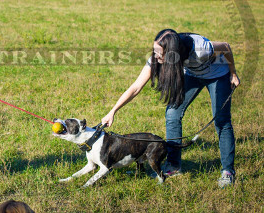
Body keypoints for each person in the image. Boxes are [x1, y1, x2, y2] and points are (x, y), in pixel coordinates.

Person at [101, 29, 240, 188]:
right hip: (193, 74)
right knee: (172, 114)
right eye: (154, 51)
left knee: (221, 121)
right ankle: (173, 166)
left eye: (160, 53)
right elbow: (135, 87)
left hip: (217, 74)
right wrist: (113, 111)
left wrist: (233, 74)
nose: (156, 56)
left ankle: (228, 171)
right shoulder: (158, 57)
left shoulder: (201, 49)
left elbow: (226, 47)